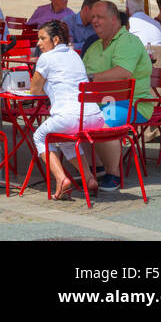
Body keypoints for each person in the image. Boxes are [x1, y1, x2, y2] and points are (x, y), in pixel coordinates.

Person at [83, 0, 154, 191]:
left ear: (114, 20)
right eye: (93, 18)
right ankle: (96, 166)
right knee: (76, 119)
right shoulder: (95, 46)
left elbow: (123, 72)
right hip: (100, 102)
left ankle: (113, 173)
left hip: (132, 104)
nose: (95, 21)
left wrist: (90, 79)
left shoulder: (128, 41)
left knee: (103, 123)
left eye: (100, 17)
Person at [30, 19, 105, 200]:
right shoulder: (73, 54)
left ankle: (61, 178)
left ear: (55, 40)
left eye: (42, 39)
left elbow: (34, 90)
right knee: (65, 139)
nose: (38, 43)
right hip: (94, 115)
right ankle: (88, 179)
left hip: (71, 116)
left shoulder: (46, 58)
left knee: (40, 136)